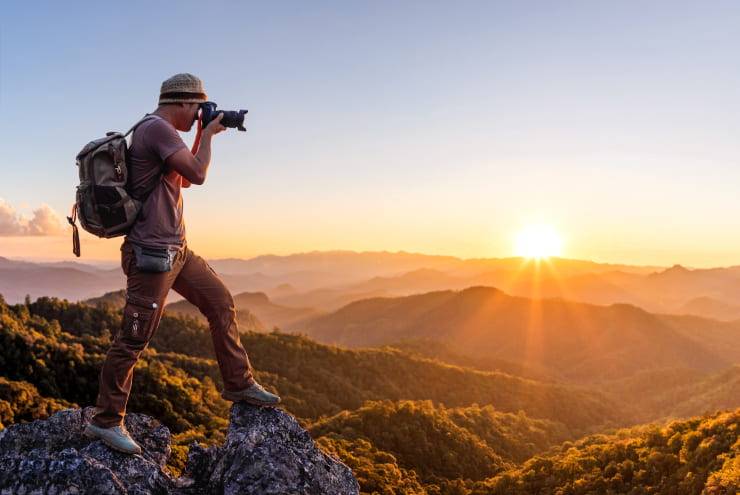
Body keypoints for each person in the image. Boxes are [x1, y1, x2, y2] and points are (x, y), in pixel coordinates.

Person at [84, 73, 280, 455]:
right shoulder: (156, 129)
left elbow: (185, 178)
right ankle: (106, 421)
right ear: (182, 103)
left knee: (221, 302)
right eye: (197, 109)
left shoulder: (162, 133)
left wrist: (203, 135)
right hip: (151, 256)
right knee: (133, 340)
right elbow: (200, 174)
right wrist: (207, 136)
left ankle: (238, 383)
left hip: (178, 252)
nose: (198, 116)